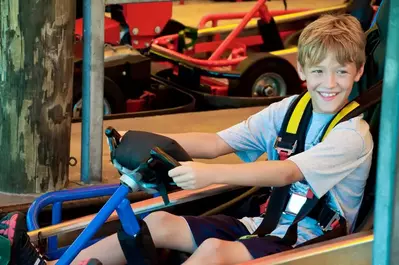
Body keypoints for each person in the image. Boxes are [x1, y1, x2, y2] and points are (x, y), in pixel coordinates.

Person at [1, 13, 372, 265]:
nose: (330, 83)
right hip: (264, 225)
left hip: (310, 241)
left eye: (341, 71)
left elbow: (286, 173)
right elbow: (215, 143)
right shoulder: (291, 108)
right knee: (159, 222)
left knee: (211, 251)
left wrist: (211, 175)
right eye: (320, 71)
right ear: (302, 71)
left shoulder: (353, 134)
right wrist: (144, 138)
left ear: (357, 72)